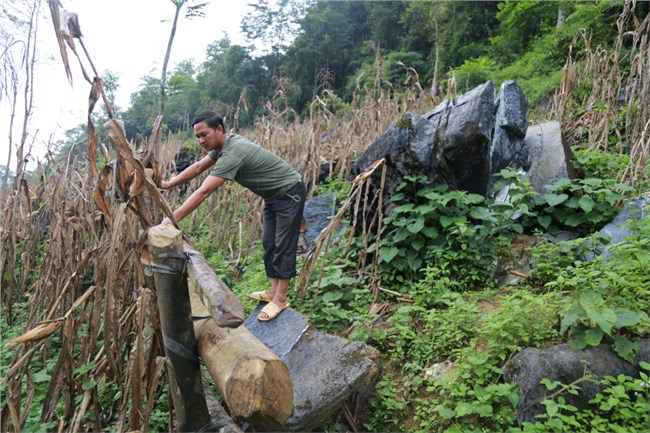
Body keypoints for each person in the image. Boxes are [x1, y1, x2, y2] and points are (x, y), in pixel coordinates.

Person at [161, 110, 306, 322]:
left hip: (289, 192)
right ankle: (273, 292)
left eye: (204, 134)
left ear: (219, 129)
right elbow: (199, 167)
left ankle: (281, 299)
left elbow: (204, 191)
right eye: (197, 136)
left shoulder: (232, 152)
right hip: (273, 196)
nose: (201, 140)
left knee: (283, 244)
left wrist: (171, 219)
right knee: (269, 243)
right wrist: (168, 184)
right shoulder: (223, 146)